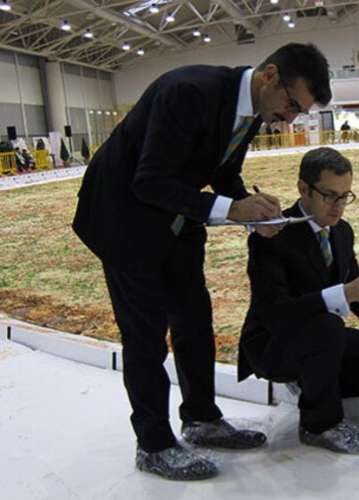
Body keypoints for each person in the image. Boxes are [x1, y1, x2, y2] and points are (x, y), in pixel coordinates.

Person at [72, 43, 332, 481]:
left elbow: (222, 172)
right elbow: (149, 180)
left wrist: (251, 209)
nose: (289, 120)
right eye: (291, 107)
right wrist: (231, 210)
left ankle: (201, 419)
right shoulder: (188, 91)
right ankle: (153, 444)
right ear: (270, 76)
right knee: (146, 337)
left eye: (297, 114)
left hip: (178, 220)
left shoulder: (253, 109)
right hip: (124, 220)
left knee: (194, 321)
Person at [238, 147, 359, 454]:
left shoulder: (342, 232)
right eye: (330, 195)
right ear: (303, 188)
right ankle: (319, 425)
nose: (338, 206)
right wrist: (346, 293)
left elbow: (358, 293)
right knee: (327, 324)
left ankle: (315, 385)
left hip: (321, 342)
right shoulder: (272, 235)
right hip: (273, 345)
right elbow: (275, 313)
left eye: (345, 196)